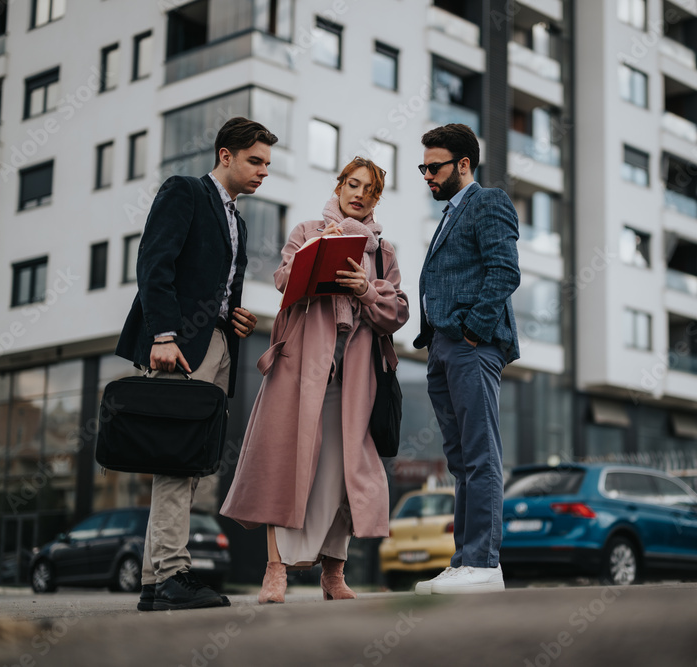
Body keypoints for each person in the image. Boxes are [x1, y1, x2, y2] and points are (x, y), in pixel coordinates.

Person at [221, 157, 409, 603]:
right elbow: (285, 283)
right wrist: (315, 254)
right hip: (300, 372)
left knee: (344, 476)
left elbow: (397, 312)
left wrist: (365, 289)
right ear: (339, 186)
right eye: (353, 184)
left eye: (369, 189)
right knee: (285, 467)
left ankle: (333, 575)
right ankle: (275, 573)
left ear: (376, 198)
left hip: (355, 383)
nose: (359, 194)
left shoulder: (383, 252)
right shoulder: (307, 229)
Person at [115, 117, 275, 611]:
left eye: (268, 164)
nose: (263, 172)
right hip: (180, 346)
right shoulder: (184, 191)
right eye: (255, 161)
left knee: (189, 465)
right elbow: (153, 264)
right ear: (225, 155)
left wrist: (234, 318)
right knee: (175, 463)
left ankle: (153, 582)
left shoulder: (238, 221)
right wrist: (162, 333)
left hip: (218, 346)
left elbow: (213, 285)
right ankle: (171, 576)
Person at [413, 124, 520, 595]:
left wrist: (474, 329)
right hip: (443, 347)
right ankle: (464, 562)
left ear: (463, 164)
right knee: (459, 460)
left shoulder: (488, 201)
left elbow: (504, 270)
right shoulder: (447, 215)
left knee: (480, 454)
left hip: (471, 345)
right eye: (423, 168)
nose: (427, 176)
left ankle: (484, 562)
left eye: (433, 167)